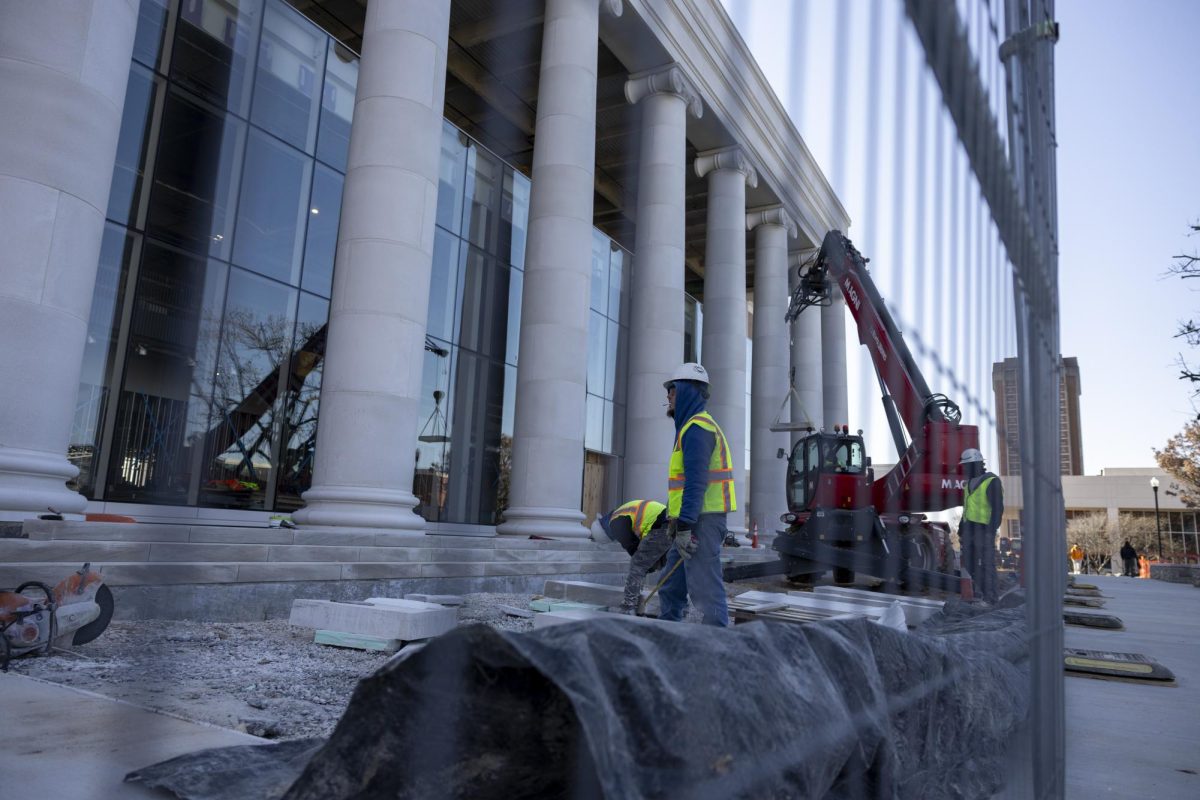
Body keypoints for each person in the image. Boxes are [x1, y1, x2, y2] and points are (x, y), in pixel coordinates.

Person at [658, 362, 736, 626]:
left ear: (687, 391)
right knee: (670, 588)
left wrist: (685, 526)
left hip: (701, 524)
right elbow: (682, 484)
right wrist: (675, 520)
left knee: (705, 591)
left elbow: (696, 483)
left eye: (672, 390)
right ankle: (669, 639)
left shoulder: (698, 429)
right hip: (691, 522)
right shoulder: (691, 428)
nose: (668, 396)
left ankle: (717, 648)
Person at [595, 499, 692, 614]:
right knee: (668, 566)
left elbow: (632, 547)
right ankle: (680, 606)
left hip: (661, 527)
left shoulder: (614, 522)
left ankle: (628, 606)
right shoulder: (622, 511)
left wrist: (644, 568)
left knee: (637, 565)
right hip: (671, 523)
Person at [958, 448, 1003, 603]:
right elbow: (967, 508)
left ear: (975, 464)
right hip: (969, 531)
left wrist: (991, 530)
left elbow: (998, 508)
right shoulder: (968, 484)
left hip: (984, 530)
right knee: (970, 565)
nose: (964, 468)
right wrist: (961, 528)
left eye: (966, 465)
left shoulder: (991, 481)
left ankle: (991, 598)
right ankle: (987, 593)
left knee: (987, 565)